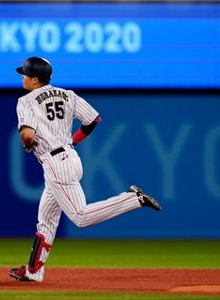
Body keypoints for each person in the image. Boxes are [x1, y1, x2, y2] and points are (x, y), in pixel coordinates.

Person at [9, 57, 162, 282]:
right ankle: (33, 271)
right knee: (47, 219)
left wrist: (27, 143)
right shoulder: (67, 95)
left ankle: (133, 199)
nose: (22, 77)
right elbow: (93, 120)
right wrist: (73, 141)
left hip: (55, 165)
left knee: (80, 217)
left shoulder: (26, 101)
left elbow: (27, 135)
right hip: (70, 156)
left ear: (34, 79)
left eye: (25, 74)